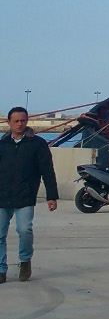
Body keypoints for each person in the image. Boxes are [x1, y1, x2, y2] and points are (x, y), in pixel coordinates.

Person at [0, 106, 57, 283]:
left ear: (27, 121)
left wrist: (51, 196)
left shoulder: (38, 144)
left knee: (24, 230)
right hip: (2, 196)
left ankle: (25, 261)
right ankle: (1, 269)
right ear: (8, 122)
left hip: (25, 196)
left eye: (23, 120)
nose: (20, 124)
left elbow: (47, 171)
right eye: (16, 121)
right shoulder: (2, 145)